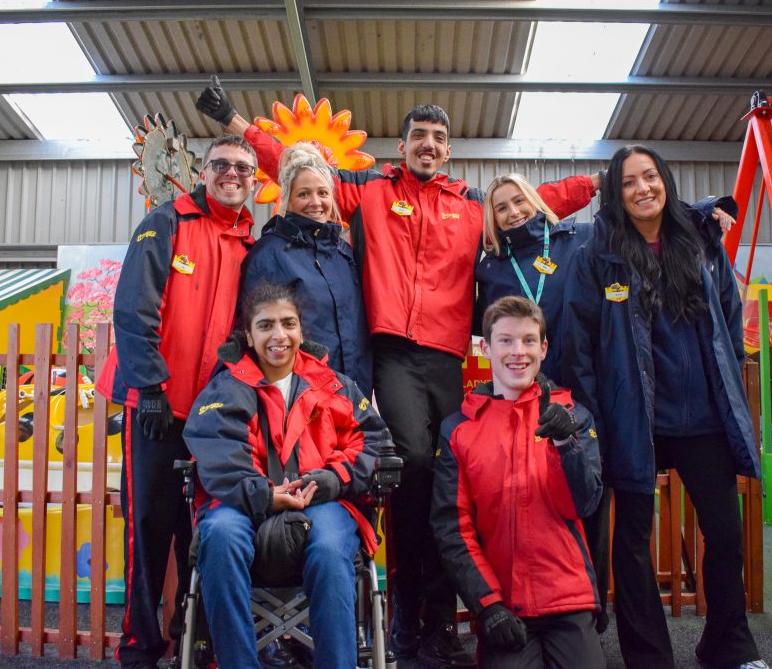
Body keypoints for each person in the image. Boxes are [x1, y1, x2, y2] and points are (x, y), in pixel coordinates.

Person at [196, 77, 601, 666]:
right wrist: (236, 123)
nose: (428, 145)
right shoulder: (373, 190)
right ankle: (410, 623)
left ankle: (441, 623)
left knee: (448, 481)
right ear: (404, 145)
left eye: (438, 138)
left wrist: (600, 181)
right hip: (395, 357)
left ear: (449, 148)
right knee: (413, 465)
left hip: (448, 361)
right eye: (419, 137)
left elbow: (540, 200)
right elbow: (299, 165)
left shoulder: (470, 203)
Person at [561, 145, 766, 669]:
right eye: (628, 182)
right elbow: (578, 343)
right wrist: (592, 418)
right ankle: (650, 658)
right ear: (615, 192)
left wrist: (728, 385)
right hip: (632, 421)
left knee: (725, 534)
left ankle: (728, 644)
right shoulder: (596, 252)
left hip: (701, 420)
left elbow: (728, 316)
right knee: (631, 546)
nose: (642, 189)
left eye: (649, 177)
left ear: (666, 181)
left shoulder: (699, 242)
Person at [95, 135, 257, 669]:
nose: (231, 174)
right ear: (202, 172)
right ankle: (140, 648)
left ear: (254, 180)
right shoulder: (166, 223)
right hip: (155, 408)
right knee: (149, 532)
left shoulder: (247, 243)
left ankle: (195, 641)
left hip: (210, 419)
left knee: (204, 532)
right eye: (221, 165)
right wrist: (152, 389)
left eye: (242, 167)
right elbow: (133, 308)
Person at [183, 282, 392, 669]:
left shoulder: (336, 386)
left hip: (324, 499)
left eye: (288, 323)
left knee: (332, 549)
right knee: (221, 536)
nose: (279, 336)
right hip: (245, 504)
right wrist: (264, 494)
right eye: (265, 326)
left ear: (301, 331)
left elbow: (374, 444)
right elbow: (217, 456)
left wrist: (333, 479)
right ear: (248, 335)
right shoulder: (224, 390)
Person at [431, 296, 605, 668]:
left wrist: (565, 444)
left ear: (543, 348)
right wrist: (487, 604)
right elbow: (452, 527)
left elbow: (584, 505)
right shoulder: (458, 429)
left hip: (567, 599)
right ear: (485, 347)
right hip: (506, 607)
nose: (518, 352)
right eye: (506, 340)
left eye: (528, 341)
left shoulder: (573, 414)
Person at [475, 172, 737, 382]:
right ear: (493, 218)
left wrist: (704, 212)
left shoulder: (581, 238)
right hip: (525, 382)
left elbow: (645, 227)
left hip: (589, 374)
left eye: (520, 201)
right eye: (502, 208)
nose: (514, 212)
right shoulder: (491, 271)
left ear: (534, 201)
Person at [239, 141, 373, 396]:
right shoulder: (269, 254)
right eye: (304, 194)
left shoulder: (343, 254)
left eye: (323, 193)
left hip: (353, 392)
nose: (315, 202)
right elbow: (253, 331)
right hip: (300, 395)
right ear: (287, 199)